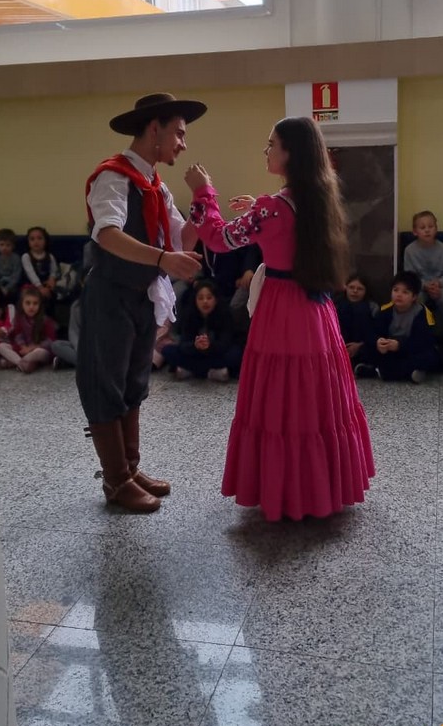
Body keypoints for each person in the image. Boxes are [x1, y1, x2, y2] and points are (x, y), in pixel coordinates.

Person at [185, 115, 374, 522]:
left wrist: (203, 193)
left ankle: (284, 490)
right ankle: (320, 487)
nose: (266, 151)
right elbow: (286, 228)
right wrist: (259, 208)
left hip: (281, 309)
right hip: (315, 309)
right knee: (314, 397)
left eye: (272, 144)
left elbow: (218, 238)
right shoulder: (318, 197)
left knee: (281, 398)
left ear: (291, 153)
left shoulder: (273, 208)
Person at [76, 92, 206, 513]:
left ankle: (129, 470)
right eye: (179, 133)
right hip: (110, 294)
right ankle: (116, 481)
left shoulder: (156, 186)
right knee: (106, 385)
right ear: (154, 129)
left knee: (133, 382)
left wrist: (203, 200)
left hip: (141, 296)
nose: (183, 143)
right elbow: (107, 234)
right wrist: (163, 260)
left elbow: (181, 238)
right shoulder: (113, 177)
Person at [366, 270, 441, 383]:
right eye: (395, 290)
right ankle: (408, 373)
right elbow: (373, 332)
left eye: (405, 292)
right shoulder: (385, 310)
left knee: (429, 356)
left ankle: (380, 371)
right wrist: (378, 342)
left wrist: (399, 345)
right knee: (369, 349)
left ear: (414, 296)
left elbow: (423, 341)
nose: (399, 295)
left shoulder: (422, 313)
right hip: (390, 350)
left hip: (411, 349)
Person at [162, 278, 242, 381]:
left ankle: (193, 370)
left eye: (209, 298)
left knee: (236, 354)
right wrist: (195, 346)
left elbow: (225, 343)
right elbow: (183, 344)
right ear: (195, 300)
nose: (205, 302)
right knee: (167, 350)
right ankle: (212, 371)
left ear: (215, 299)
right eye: (200, 298)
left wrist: (209, 346)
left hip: (215, 354)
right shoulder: (190, 315)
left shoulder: (224, 314)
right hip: (195, 354)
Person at [403, 210, 443, 351]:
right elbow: (410, 276)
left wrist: (439, 283)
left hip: (440, 286)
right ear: (415, 232)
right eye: (422, 227)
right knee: (415, 299)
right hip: (419, 286)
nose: (427, 230)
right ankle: (421, 335)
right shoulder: (410, 250)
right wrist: (424, 285)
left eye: (430, 226)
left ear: (436, 229)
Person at [0, 284, 56, 372]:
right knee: (1, 346)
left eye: (35, 303)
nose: (31, 307)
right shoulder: (19, 319)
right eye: (28, 303)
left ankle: (17, 362)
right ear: (22, 304)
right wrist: (23, 347)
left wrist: (32, 348)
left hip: (38, 350)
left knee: (39, 352)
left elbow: (50, 341)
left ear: (40, 305)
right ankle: (21, 363)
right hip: (23, 350)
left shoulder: (46, 320)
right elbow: (18, 336)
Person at [334, 272, 379, 366]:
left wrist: (360, 345)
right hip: (339, 347)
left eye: (360, 289)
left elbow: (376, 333)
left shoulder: (372, 307)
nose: (355, 291)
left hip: (364, 348)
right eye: (351, 287)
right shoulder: (336, 305)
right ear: (346, 288)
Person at [21, 226, 60, 315]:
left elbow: (54, 271)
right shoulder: (26, 257)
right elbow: (30, 273)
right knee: (31, 296)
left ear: (45, 241)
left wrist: (52, 279)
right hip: (31, 285)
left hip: (46, 284)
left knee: (51, 295)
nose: (36, 241)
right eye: (32, 239)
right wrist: (40, 287)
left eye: (39, 238)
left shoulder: (50, 256)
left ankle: (50, 319)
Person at [0, 227, 22, 303]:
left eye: (8, 245)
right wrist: (0, 287)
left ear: (13, 246)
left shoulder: (16, 258)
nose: (4, 248)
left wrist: (7, 288)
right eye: (1, 245)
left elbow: (16, 275)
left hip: (13, 285)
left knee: (15, 292)